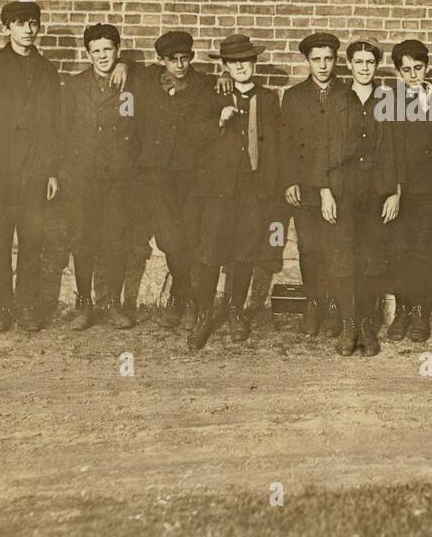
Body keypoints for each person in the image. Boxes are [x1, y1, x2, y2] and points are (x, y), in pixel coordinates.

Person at [0, 1, 61, 332]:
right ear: (7, 28)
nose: (28, 29)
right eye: (20, 24)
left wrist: (51, 172)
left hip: (35, 171)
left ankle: (27, 308)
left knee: (33, 239)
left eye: (33, 23)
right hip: (0, 171)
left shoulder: (47, 71)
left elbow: (53, 125)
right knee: (1, 240)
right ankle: (2, 308)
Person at [188, 34, 284, 346]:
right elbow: (194, 134)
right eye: (234, 63)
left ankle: (235, 311)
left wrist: (269, 189)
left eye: (246, 61)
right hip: (218, 189)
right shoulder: (212, 94)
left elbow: (273, 146)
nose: (241, 67)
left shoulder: (268, 99)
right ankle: (204, 315)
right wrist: (219, 119)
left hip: (252, 190)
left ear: (254, 63)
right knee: (211, 253)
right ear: (226, 66)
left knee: (245, 252)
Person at [126, 30, 216, 328]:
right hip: (156, 174)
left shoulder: (205, 85)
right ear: (161, 60)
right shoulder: (146, 83)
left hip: (192, 175)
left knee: (188, 235)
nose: (180, 65)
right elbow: (127, 65)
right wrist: (120, 65)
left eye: (185, 58)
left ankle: (181, 299)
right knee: (169, 237)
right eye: (172, 60)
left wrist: (226, 77)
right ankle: (185, 296)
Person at [59, 23, 139, 330]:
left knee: (116, 240)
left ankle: (115, 304)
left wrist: (127, 66)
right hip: (83, 178)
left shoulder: (132, 83)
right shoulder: (75, 86)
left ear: (118, 50)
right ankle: (84, 305)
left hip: (120, 178)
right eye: (96, 51)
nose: (103, 56)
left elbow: (164, 71)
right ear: (88, 54)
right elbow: (63, 131)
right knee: (83, 239)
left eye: (108, 50)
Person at [327, 40, 399, 356]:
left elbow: (397, 150)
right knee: (344, 261)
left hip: (376, 191)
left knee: (372, 261)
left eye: (370, 62)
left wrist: (395, 192)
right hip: (344, 192)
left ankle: (368, 327)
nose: (365, 67)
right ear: (350, 65)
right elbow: (323, 149)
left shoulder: (387, 100)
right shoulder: (337, 100)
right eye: (359, 62)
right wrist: (326, 191)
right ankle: (349, 326)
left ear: (376, 65)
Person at [387, 38, 432, 343]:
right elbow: (388, 150)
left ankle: (420, 313)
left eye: (418, 68)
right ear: (399, 72)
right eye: (406, 70)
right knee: (400, 253)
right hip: (402, 191)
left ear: (426, 68)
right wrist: (395, 190)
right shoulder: (390, 101)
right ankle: (402, 310)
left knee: (424, 254)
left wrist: (428, 109)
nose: (413, 75)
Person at [281, 32, 346, 337]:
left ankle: (333, 305)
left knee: (334, 246)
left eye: (328, 59)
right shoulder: (293, 97)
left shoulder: (347, 94)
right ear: (307, 61)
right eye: (316, 59)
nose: (323, 65)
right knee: (309, 248)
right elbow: (287, 143)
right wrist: (290, 179)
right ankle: (313, 304)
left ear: (335, 60)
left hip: (338, 187)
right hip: (306, 187)